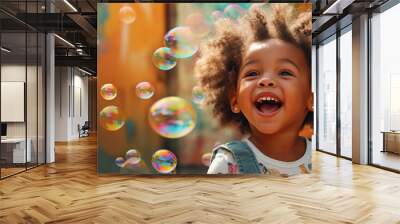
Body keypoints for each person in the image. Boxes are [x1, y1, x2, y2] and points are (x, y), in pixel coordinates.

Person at [195, 4, 313, 176]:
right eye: (252, 73)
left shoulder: (322, 158)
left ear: (311, 98)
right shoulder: (228, 163)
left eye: (285, 72)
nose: (266, 80)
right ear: (235, 100)